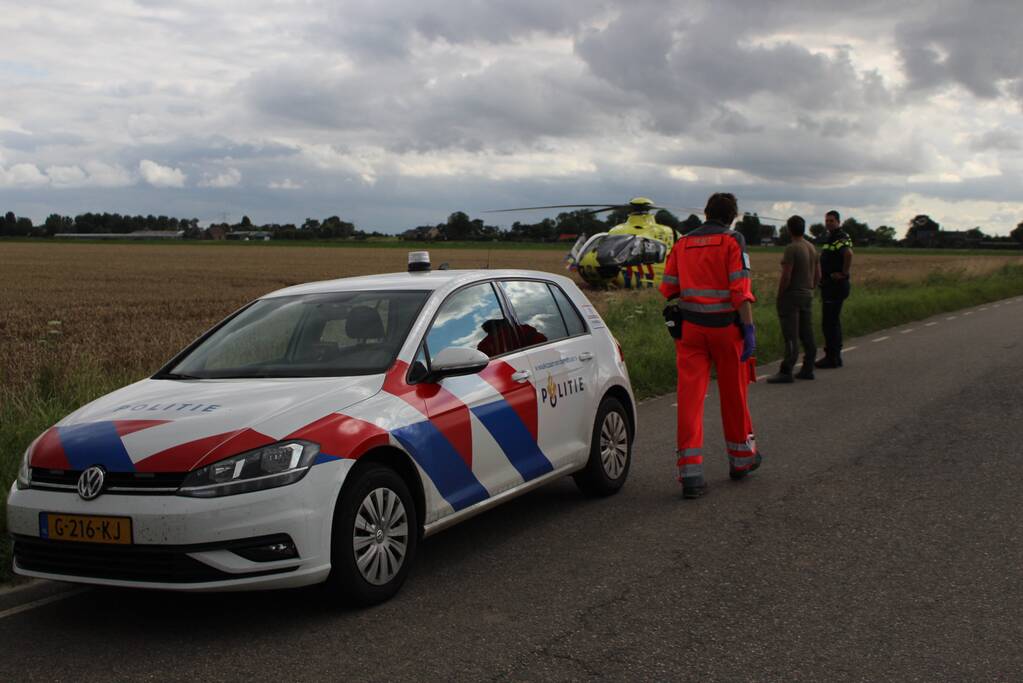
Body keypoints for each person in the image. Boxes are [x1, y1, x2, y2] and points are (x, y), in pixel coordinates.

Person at [659, 192, 762, 499]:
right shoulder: (734, 241)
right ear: (732, 216)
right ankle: (741, 459)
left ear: (706, 213)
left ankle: (691, 475)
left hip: (690, 331)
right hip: (727, 331)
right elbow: (740, 292)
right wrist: (749, 329)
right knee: (734, 395)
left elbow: (668, 288)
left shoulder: (682, 243)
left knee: (690, 399)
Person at [767, 216, 820, 383]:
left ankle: (786, 370)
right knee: (807, 332)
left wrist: (780, 294)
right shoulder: (811, 247)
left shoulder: (792, 248)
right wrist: (811, 288)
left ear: (789, 229)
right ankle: (808, 367)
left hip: (792, 295)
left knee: (791, 334)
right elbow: (818, 274)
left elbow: (786, 275)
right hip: (807, 294)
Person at [816, 210, 853, 368]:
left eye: (831, 221)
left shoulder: (839, 237)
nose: (828, 223)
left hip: (835, 286)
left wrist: (843, 274)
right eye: (827, 220)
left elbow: (848, 254)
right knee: (832, 321)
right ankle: (835, 357)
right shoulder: (832, 237)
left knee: (829, 322)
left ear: (838, 222)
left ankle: (832, 357)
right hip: (831, 285)